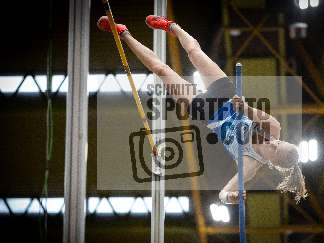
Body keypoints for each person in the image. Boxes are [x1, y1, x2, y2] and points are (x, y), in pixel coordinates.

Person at [97, 15, 307, 204]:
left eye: (275, 148)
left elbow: (223, 193)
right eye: (278, 141)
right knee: (194, 52)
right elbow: (263, 117)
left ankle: (123, 33)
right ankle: (172, 26)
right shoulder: (274, 130)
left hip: (206, 112)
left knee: (161, 70)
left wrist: (230, 197)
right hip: (226, 95)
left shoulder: (249, 166)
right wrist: (244, 107)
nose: (273, 142)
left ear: (273, 162)